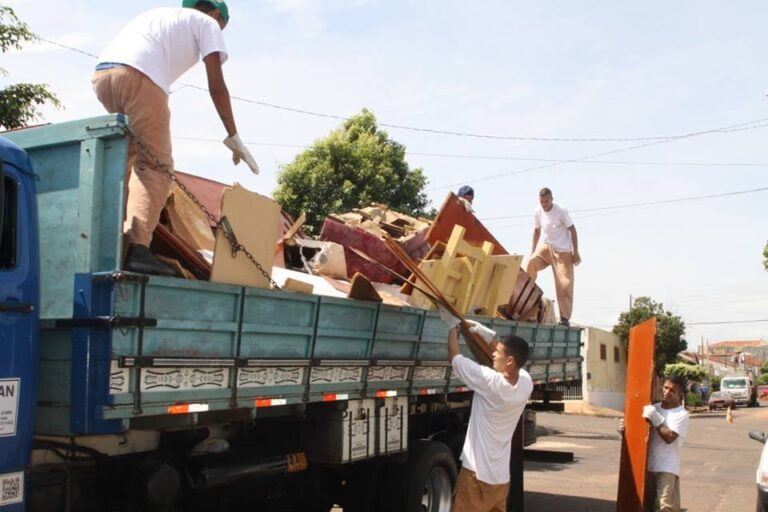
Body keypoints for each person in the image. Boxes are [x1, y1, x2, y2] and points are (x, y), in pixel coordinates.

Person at [92, 1, 259, 276]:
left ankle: (109, 244)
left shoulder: (162, 16)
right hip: (140, 77)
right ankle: (137, 249)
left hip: (104, 76)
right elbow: (216, 85)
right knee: (156, 166)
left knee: (127, 159)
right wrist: (233, 134)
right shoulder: (208, 23)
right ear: (216, 14)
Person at [439, 311, 533, 512]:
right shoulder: (525, 383)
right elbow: (506, 359)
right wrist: (487, 336)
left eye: (497, 353)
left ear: (509, 361)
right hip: (500, 479)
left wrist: (452, 328)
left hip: (476, 475)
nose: (493, 354)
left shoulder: (490, 382)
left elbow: (454, 357)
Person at [525, 187, 581, 326]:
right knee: (531, 263)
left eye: (547, 201)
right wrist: (532, 251)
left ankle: (565, 318)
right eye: (542, 201)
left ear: (552, 200)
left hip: (563, 252)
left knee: (564, 284)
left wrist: (575, 252)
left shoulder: (560, 210)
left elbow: (572, 230)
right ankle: (527, 301)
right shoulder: (538, 211)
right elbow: (536, 231)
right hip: (547, 247)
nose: (544, 204)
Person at [642, 375, 690, 512]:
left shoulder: (681, 414)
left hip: (667, 467)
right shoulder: (654, 408)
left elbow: (669, 437)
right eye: (666, 388)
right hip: (650, 466)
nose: (667, 392)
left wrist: (656, 418)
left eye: (672, 391)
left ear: (680, 394)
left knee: (663, 506)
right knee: (647, 505)